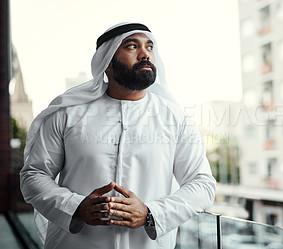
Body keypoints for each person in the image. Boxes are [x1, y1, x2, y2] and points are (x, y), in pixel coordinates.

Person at [20, 22, 216, 249]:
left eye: (150, 47)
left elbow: (203, 184)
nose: (145, 54)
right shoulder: (67, 113)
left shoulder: (175, 118)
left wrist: (150, 214)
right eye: (132, 46)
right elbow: (34, 175)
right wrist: (76, 207)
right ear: (107, 62)